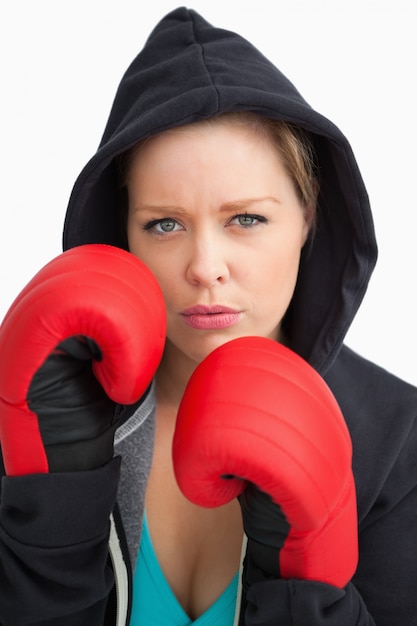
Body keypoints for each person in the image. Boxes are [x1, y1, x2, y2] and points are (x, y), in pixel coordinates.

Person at [0, 6, 416, 625]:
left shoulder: (398, 442)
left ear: (308, 216)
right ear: (123, 235)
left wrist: (303, 590)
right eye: (164, 224)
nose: (205, 266)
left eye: (246, 218)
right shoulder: (36, 406)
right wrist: (56, 507)